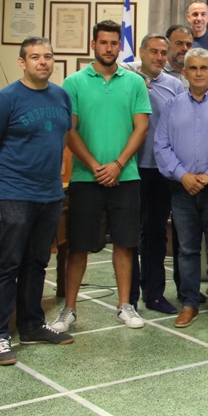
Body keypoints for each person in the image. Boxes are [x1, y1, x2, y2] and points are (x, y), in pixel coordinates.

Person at [0, 37, 74, 365]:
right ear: (22, 62)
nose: (43, 62)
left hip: (50, 195)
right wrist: (6, 178)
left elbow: (62, 137)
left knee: (37, 263)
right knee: (8, 266)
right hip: (15, 196)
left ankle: (31, 325)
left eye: (48, 56)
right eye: (35, 57)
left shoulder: (61, 96)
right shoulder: (4, 100)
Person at [53, 21, 151, 332]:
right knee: (78, 246)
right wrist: (96, 166)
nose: (109, 48)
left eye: (114, 43)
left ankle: (125, 305)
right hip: (86, 178)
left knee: (125, 242)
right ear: (93, 44)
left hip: (126, 177)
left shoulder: (134, 82)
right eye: (103, 42)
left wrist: (118, 165)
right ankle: (69, 309)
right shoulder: (74, 83)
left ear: (120, 46)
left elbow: (141, 127)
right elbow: (70, 130)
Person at [154, 48, 208, 329]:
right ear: (184, 72)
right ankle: (189, 303)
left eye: (203, 68)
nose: (198, 73)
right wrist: (182, 175)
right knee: (186, 250)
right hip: (182, 190)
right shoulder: (172, 106)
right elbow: (161, 145)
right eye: (193, 68)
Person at [125, 34, 184, 314]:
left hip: (161, 169)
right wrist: (136, 77)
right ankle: (129, 296)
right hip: (131, 167)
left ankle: (155, 293)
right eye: (153, 52)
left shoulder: (174, 85)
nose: (159, 57)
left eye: (163, 52)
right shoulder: (128, 78)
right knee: (130, 233)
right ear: (141, 52)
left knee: (156, 232)